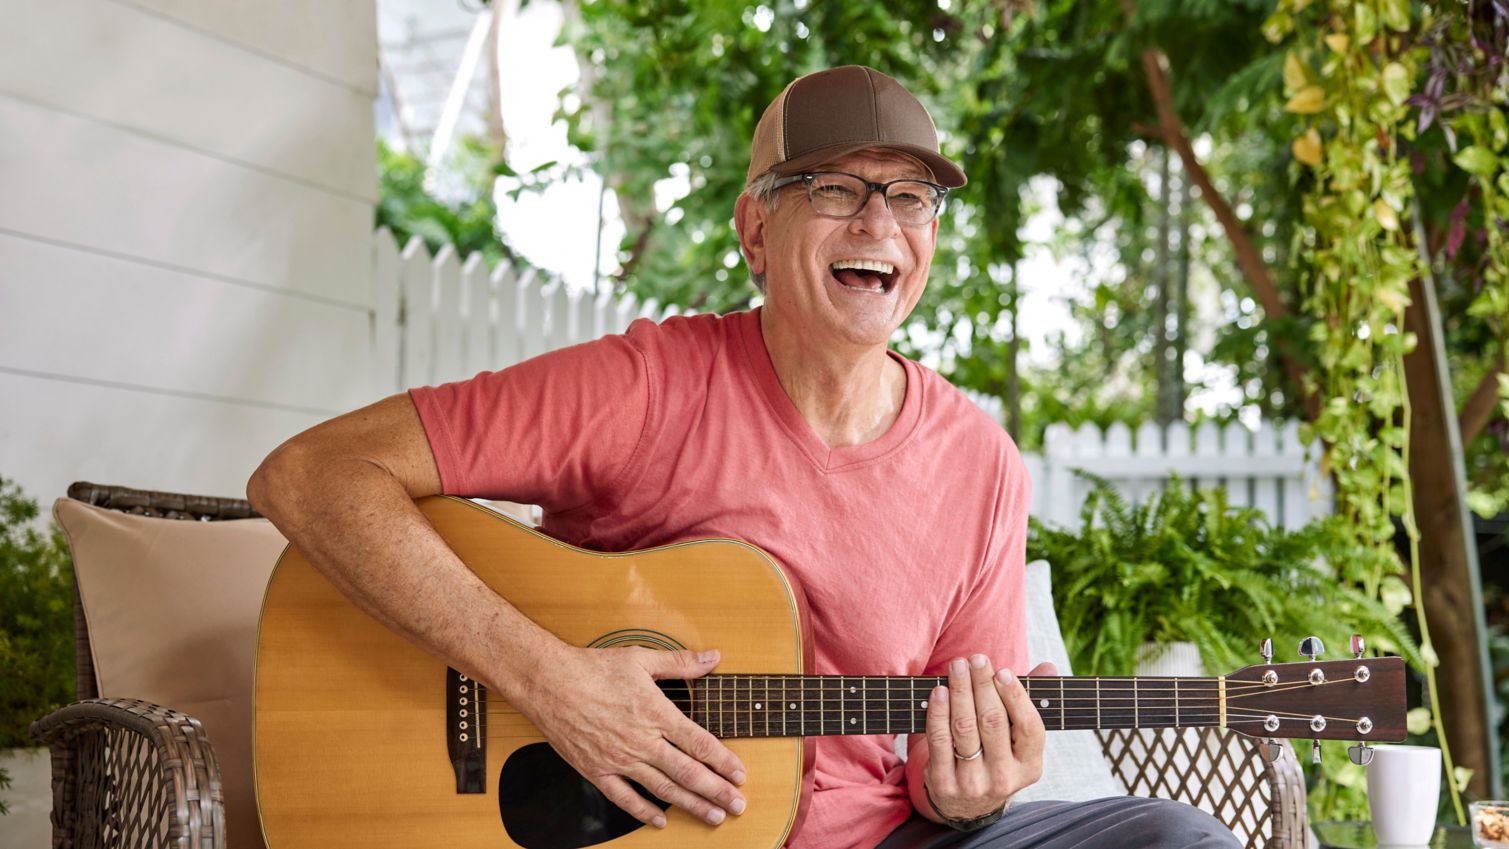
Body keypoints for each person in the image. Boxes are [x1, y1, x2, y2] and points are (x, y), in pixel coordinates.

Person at [248, 65, 1240, 849]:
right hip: (647, 836)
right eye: (838, 189)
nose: (880, 224)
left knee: (1177, 838)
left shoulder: (980, 463)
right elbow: (308, 474)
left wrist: (967, 792)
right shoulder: (646, 389)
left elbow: (952, 786)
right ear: (755, 227)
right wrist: (554, 682)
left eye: (911, 197)